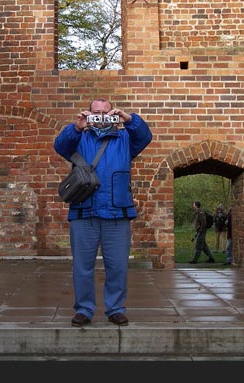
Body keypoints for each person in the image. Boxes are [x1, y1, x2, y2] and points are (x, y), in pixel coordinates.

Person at [54, 98, 152, 327]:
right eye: (96, 113)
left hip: (117, 212)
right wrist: (76, 127)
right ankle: (84, 309)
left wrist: (129, 119)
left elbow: (145, 137)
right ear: (88, 114)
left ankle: (116, 308)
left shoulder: (125, 138)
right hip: (84, 211)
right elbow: (60, 146)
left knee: (117, 265)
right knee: (82, 266)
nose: (101, 117)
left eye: (106, 113)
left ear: (113, 115)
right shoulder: (79, 137)